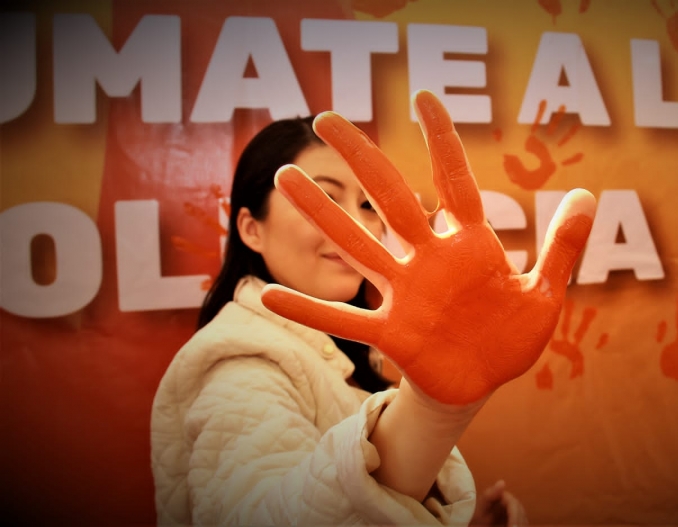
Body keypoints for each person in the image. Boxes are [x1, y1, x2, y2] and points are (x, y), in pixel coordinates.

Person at [150, 90, 595, 525]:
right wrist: (432, 410)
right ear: (251, 229)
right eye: (325, 200)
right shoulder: (239, 361)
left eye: (367, 204)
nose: (359, 225)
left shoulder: (347, 347)